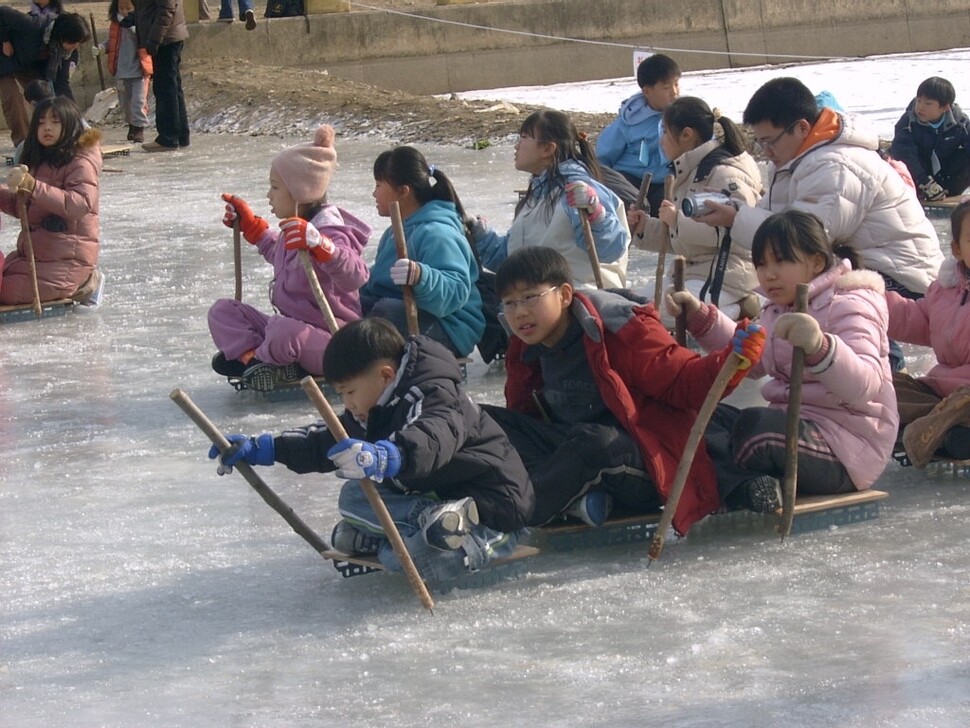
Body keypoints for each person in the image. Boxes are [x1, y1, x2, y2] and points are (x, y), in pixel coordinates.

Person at [208, 318, 535, 583]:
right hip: (435, 497)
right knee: (353, 496)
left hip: (494, 508)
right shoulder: (375, 405)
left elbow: (433, 435)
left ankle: (424, 535)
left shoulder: (437, 395)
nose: (347, 403)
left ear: (384, 376)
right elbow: (326, 440)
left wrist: (389, 455)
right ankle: (425, 525)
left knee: (410, 560)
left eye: (349, 392)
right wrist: (263, 448)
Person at [481, 246, 773, 534]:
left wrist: (730, 361)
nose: (519, 312)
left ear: (565, 295)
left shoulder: (621, 329)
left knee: (594, 443)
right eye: (509, 303)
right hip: (570, 450)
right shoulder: (524, 349)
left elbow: (683, 381)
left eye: (530, 297)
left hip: (639, 458)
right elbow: (522, 420)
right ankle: (568, 501)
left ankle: (506, 520)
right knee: (482, 423)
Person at [696, 76, 944, 371]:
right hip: (868, 260)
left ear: (802, 127)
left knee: (827, 290)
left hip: (901, 274)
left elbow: (805, 238)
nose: (767, 152)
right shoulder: (798, 159)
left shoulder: (833, 164)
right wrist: (735, 211)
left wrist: (738, 218)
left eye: (770, 141)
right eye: (760, 143)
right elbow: (776, 220)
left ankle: (884, 367)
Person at [668, 210, 897, 498]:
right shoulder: (778, 308)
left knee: (756, 430)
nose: (769, 274)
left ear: (816, 261)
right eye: (761, 264)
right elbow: (755, 359)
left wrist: (820, 347)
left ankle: (736, 484)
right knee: (699, 414)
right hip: (793, 426)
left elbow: (864, 387)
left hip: (845, 447)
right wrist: (700, 317)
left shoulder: (850, 303)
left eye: (782, 260)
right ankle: (742, 482)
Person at [209, 125, 371, 391]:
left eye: (275, 187)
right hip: (291, 332)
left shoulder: (329, 231)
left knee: (283, 333)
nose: (269, 196)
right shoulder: (293, 229)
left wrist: (322, 246)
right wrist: (253, 229)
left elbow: (356, 274)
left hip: (332, 344)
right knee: (223, 311)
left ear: (300, 192)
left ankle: (259, 361)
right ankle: (254, 361)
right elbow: (282, 257)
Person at [628, 96, 763, 323]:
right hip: (696, 271)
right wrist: (645, 226)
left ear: (686, 135)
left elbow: (738, 232)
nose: (661, 141)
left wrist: (677, 221)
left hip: (729, 274)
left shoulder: (723, 173)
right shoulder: (691, 171)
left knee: (657, 317)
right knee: (633, 307)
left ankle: (734, 313)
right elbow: (683, 239)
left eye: (664, 133)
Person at [472, 109, 631, 290]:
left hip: (578, 304)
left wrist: (597, 215)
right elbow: (514, 262)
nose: (517, 146)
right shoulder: (537, 197)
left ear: (548, 148)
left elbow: (611, 249)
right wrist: (480, 236)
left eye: (524, 138)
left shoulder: (577, 191)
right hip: (538, 304)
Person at [360, 145, 484, 359]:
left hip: (447, 328)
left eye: (379, 185)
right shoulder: (395, 231)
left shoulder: (437, 233)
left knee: (383, 315)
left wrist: (421, 277)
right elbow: (377, 283)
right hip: (407, 313)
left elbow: (455, 292)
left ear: (403, 191)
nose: (374, 193)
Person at [889, 201, 970, 468]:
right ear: (957, 249)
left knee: (964, 403)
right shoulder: (945, 291)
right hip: (940, 393)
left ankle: (937, 432)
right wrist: (872, 301)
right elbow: (923, 321)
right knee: (883, 386)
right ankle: (942, 433)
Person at [0, 96, 103, 306]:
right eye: (41, 123)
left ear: (70, 125)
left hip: (67, 261)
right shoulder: (42, 161)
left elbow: (79, 204)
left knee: (5, 294)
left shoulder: (80, 162)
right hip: (37, 257)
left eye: (55, 122)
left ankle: (85, 284)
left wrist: (33, 186)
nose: (47, 128)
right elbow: (26, 209)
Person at [595, 53, 680, 215]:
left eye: (676, 85)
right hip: (632, 178)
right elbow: (603, 158)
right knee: (632, 206)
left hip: (667, 179)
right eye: (666, 87)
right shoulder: (629, 121)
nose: (674, 92)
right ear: (647, 91)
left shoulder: (684, 115)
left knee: (669, 205)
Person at [0, 9, 88, 146]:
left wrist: (78, 120)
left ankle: (51, 137)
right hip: (4, 57)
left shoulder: (64, 52)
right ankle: (23, 144)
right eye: (73, 42)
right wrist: (5, 40)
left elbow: (62, 86)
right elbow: (2, 12)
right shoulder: (33, 25)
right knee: (13, 99)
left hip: (26, 64)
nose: (74, 47)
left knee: (45, 97)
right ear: (61, 36)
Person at [890, 76, 970, 202]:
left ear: (945, 107)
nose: (920, 107)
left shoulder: (959, 123)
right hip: (919, 174)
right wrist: (924, 181)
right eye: (919, 101)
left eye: (928, 103)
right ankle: (920, 194)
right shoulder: (908, 123)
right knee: (898, 161)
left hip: (945, 173)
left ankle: (947, 196)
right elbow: (904, 153)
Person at [93, 0, 154, 144]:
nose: (124, 11)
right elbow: (112, 42)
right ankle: (131, 125)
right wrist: (102, 48)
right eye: (121, 8)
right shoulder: (116, 24)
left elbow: (145, 40)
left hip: (139, 69)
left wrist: (134, 28)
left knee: (138, 101)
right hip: (121, 70)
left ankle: (139, 127)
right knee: (125, 102)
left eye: (128, 8)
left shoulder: (140, 23)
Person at [135, 0, 189, 152]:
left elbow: (166, 10)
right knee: (172, 87)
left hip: (165, 39)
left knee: (165, 88)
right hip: (167, 37)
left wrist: (153, 40)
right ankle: (180, 135)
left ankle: (169, 137)